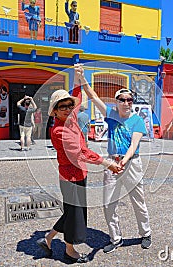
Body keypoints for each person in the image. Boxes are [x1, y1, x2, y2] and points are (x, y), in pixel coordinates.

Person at [36, 90, 121, 263]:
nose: (68, 109)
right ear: (55, 111)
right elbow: (81, 153)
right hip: (70, 178)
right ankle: (69, 251)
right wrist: (107, 163)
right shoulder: (60, 130)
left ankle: (48, 239)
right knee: (74, 215)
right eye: (62, 107)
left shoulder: (70, 119)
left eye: (69, 105)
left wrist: (80, 78)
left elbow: (78, 98)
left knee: (70, 212)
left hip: (79, 174)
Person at [75, 64, 152, 253]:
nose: (126, 102)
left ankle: (146, 233)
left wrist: (122, 162)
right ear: (116, 102)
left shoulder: (137, 120)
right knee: (108, 203)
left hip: (131, 163)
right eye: (122, 99)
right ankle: (115, 238)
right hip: (111, 162)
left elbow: (134, 146)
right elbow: (93, 97)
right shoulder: (110, 115)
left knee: (138, 200)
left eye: (129, 100)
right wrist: (82, 77)